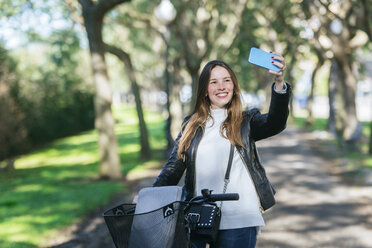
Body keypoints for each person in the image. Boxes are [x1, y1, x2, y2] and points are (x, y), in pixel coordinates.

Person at [153, 53, 291, 248]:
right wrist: (148, 198)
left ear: (233, 86)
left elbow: (276, 122)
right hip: (196, 218)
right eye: (214, 82)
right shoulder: (190, 125)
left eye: (226, 80)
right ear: (204, 90)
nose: (221, 87)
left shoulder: (246, 122)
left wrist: (279, 81)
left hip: (240, 219)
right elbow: (173, 168)